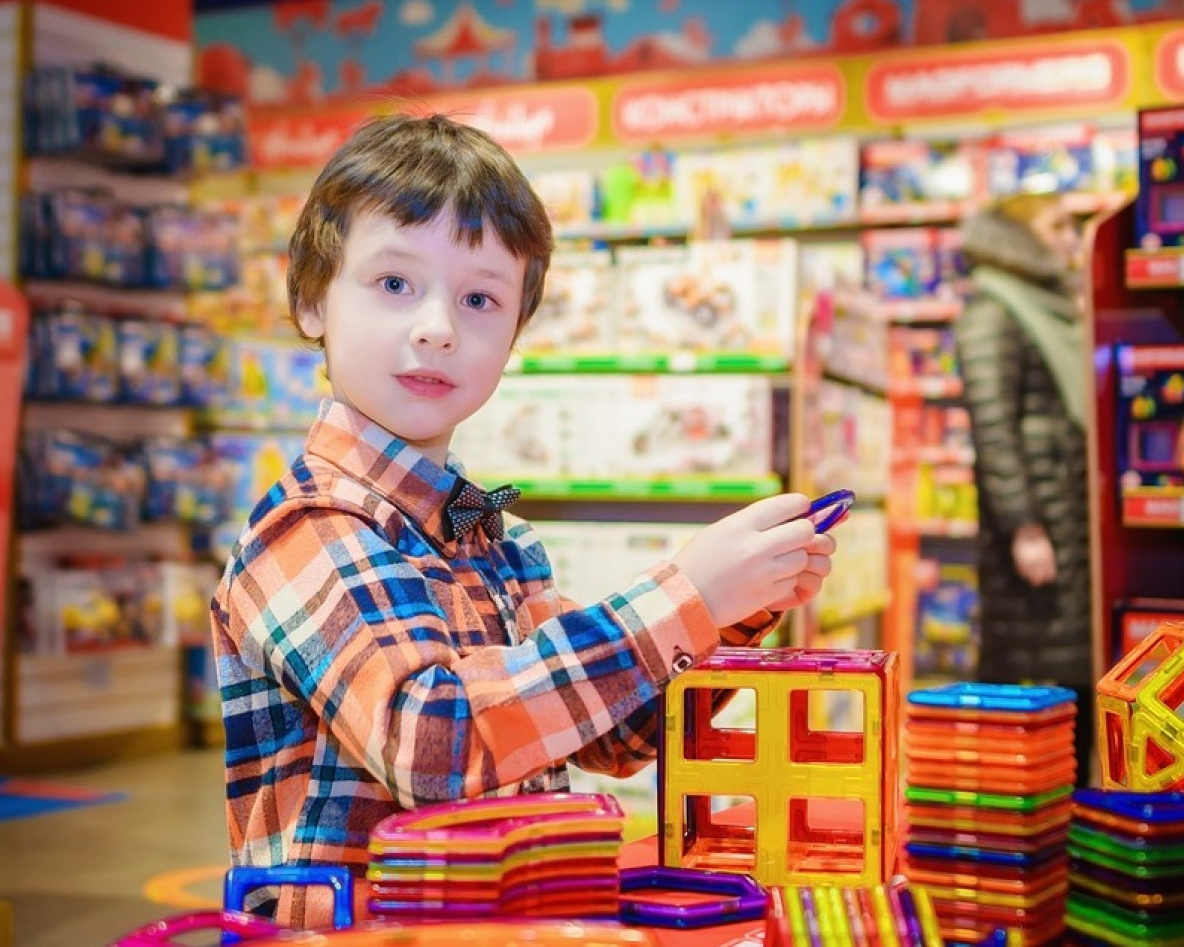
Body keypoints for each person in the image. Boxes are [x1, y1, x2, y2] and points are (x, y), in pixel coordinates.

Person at [210, 114, 837, 928]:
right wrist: (684, 593)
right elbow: (431, 741)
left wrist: (732, 603)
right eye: (394, 283)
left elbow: (609, 737)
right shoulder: (309, 528)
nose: (437, 326)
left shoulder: (494, 534)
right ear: (309, 299)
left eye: (479, 298)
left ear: (514, 334)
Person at [953, 193, 1094, 785]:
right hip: (1040, 525)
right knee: (1030, 670)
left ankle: (1069, 795)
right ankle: (1021, 808)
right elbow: (994, 428)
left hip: (1066, 514)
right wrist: (1025, 526)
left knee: (1071, 662)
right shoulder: (994, 310)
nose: (1070, 237)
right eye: (1057, 225)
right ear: (1019, 236)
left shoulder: (1048, 306)